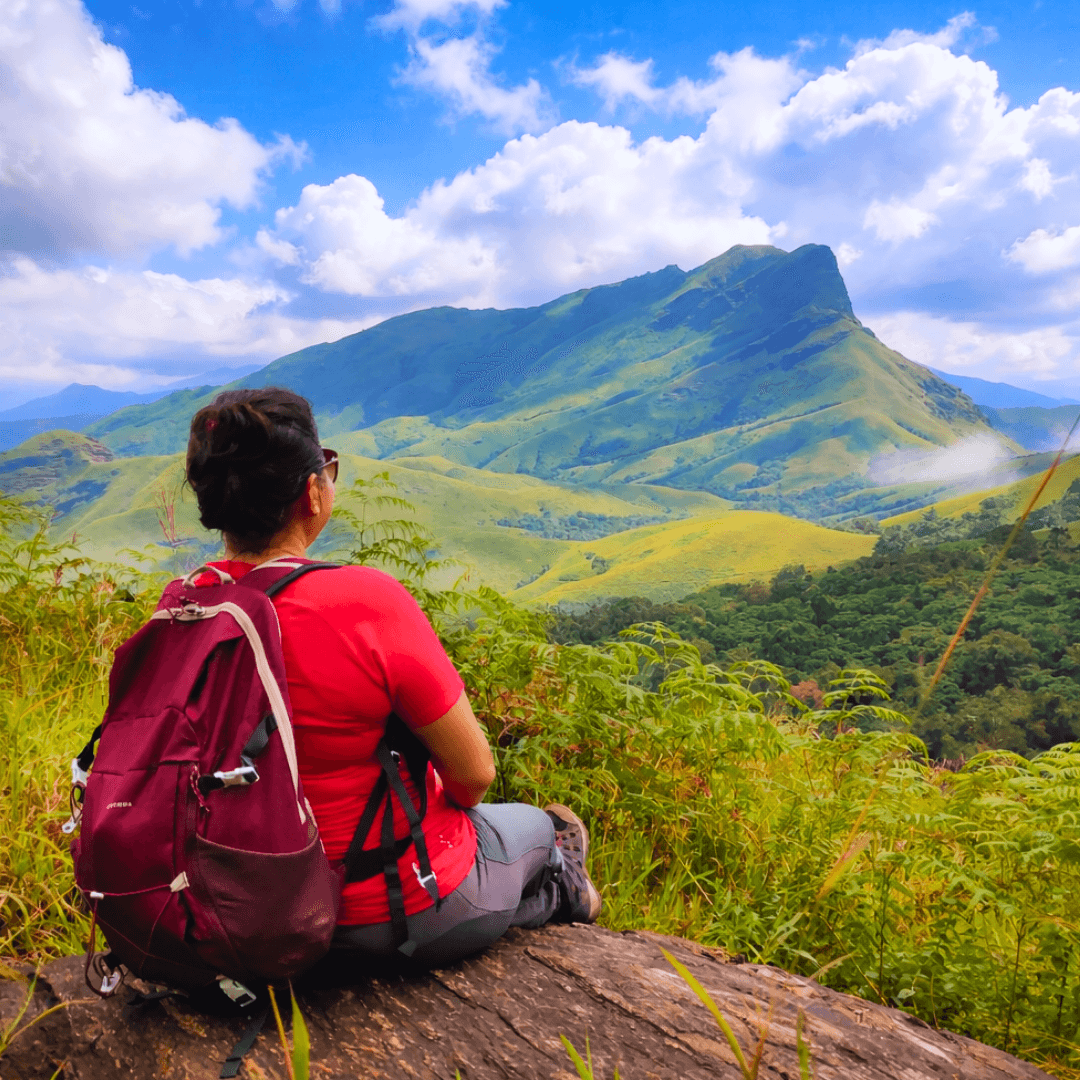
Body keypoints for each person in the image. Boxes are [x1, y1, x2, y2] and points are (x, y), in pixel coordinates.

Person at [184, 386, 601, 969]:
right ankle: (562, 887)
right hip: (379, 910)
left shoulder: (185, 606)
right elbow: (474, 776)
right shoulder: (363, 601)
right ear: (312, 492)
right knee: (538, 827)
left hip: (232, 911)